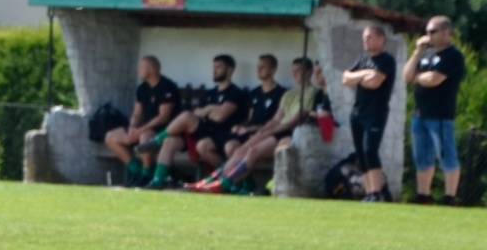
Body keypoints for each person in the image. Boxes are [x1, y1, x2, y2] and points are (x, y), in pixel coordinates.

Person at [191, 58, 329, 193]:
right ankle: (213, 179)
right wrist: (261, 130)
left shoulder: (314, 94)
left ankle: (226, 183)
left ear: (308, 72)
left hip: (288, 133)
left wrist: (268, 132)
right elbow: (276, 119)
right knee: (242, 149)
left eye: (299, 70)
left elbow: (292, 122)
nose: (295, 74)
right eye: (293, 71)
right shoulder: (288, 94)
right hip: (276, 130)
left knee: (253, 151)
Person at [140, 54, 246, 189]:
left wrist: (206, 111)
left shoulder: (235, 93)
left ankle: (155, 140)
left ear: (230, 69)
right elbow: (196, 112)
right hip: (200, 131)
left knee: (186, 117)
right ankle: (157, 181)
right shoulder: (210, 93)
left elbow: (219, 117)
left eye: (219, 67)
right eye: (214, 67)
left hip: (219, 134)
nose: (214, 70)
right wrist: (211, 108)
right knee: (170, 140)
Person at [404, 15, 468, 206]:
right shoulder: (426, 54)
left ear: (446, 33)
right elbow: (406, 76)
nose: (428, 35)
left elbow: (434, 80)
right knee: (422, 157)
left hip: (440, 115)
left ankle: (450, 197)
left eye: (432, 31)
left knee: (446, 155)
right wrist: (417, 52)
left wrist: (418, 77)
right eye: (427, 32)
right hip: (419, 114)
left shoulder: (453, 56)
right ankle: (423, 195)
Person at [341, 25, 397, 202]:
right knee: (361, 153)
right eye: (364, 38)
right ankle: (369, 192)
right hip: (357, 113)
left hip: (375, 113)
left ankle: (377, 192)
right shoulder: (363, 59)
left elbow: (375, 82)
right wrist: (364, 73)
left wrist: (357, 78)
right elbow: (345, 78)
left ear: (381, 39)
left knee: (370, 150)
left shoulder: (387, 60)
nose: (365, 40)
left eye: (370, 37)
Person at [105, 55, 179, 186]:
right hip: (142, 128)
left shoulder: (167, 87)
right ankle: (136, 172)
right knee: (110, 137)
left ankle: (146, 174)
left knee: (145, 137)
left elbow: (164, 117)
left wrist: (140, 131)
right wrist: (132, 128)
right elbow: (137, 114)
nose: (138, 70)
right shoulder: (142, 88)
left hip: (162, 130)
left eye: (141, 67)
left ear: (152, 69)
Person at [224, 54, 285, 158]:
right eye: (258, 67)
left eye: (263, 67)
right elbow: (250, 118)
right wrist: (241, 126)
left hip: (266, 133)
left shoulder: (282, 93)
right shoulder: (254, 92)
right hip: (249, 131)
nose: (259, 70)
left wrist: (252, 128)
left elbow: (278, 122)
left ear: (273, 69)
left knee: (245, 151)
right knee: (230, 146)